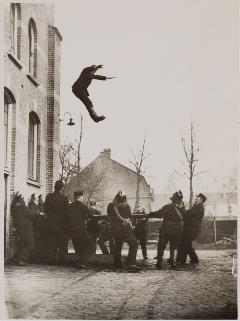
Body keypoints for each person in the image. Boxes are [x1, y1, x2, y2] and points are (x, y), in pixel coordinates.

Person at [148, 191, 185, 269]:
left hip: (166, 229)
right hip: (177, 229)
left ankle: (159, 262)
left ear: (173, 200)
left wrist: (149, 213)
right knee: (173, 246)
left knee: (161, 245)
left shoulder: (168, 207)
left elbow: (159, 213)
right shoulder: (182, 207)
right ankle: (172, 261)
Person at [107, 190, 140, 271]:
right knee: (134, 244)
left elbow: (109, 215)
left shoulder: (111, 206)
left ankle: (117, 264)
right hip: (125, 229)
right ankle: (131, 263)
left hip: (115, 229)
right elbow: (129, 216)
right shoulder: (127, 206)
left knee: (118, 245)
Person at [67, 191, 95, 268]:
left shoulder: (69, 207)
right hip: (81, 231)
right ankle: (83, 262)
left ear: (74, 198)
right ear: (81, 197)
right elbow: (91, 215)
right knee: (91, 245)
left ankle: (79, 262)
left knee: (78, 247)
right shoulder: (82, 206)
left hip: (72, 231)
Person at [177, 193, 207, 265]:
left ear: (201, 201)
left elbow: (189, 213)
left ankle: (182, 260)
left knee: (185, 243)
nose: (196, 199)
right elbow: (188, 215)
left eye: (198, 198)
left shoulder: (199, 207)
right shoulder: (196, 206)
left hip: (192, 229)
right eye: (196, 198)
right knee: (187, 243)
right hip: (190, 229)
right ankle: (193, 259)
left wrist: (181, 209)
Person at [44, 180, 69, 265]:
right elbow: (67, 212)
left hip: (51, 224)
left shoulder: (49, 197)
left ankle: (52, 260)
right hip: (61, 225)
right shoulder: (64, 198)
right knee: (62, 243)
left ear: (54, 187)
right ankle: (61, 261)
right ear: (61, 188)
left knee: (51, 242)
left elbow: (45, 209)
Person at [11, 192, 35, 266]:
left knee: (21, 244)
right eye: (22, 198)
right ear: (20, 199)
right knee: (30, 244)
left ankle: (15, 258)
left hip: (19, 228)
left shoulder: (13, 206)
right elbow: (31, 213)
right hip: (25, 228)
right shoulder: (22, 206)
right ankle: (21, 260)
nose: (23, 199)